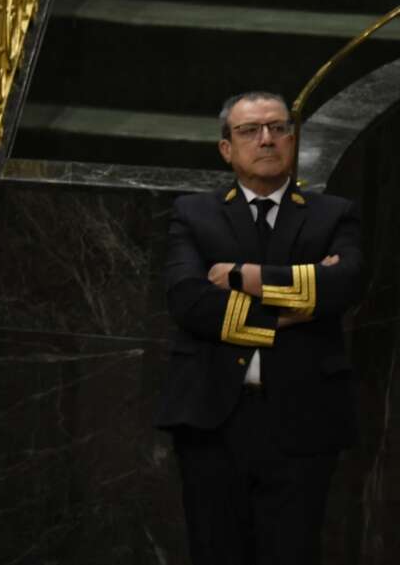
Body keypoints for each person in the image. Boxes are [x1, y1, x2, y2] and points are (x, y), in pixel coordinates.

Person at [154, 91, 363, 565]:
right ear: (227, 148)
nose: (266, 139)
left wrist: (238, 276)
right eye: (250, 130)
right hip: (212, 419)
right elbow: (190, 302)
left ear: (292, 138)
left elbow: (341, 286)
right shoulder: (193, 213)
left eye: (277, 127)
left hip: (305, 419)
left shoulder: (334, 213)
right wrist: (289, 312)